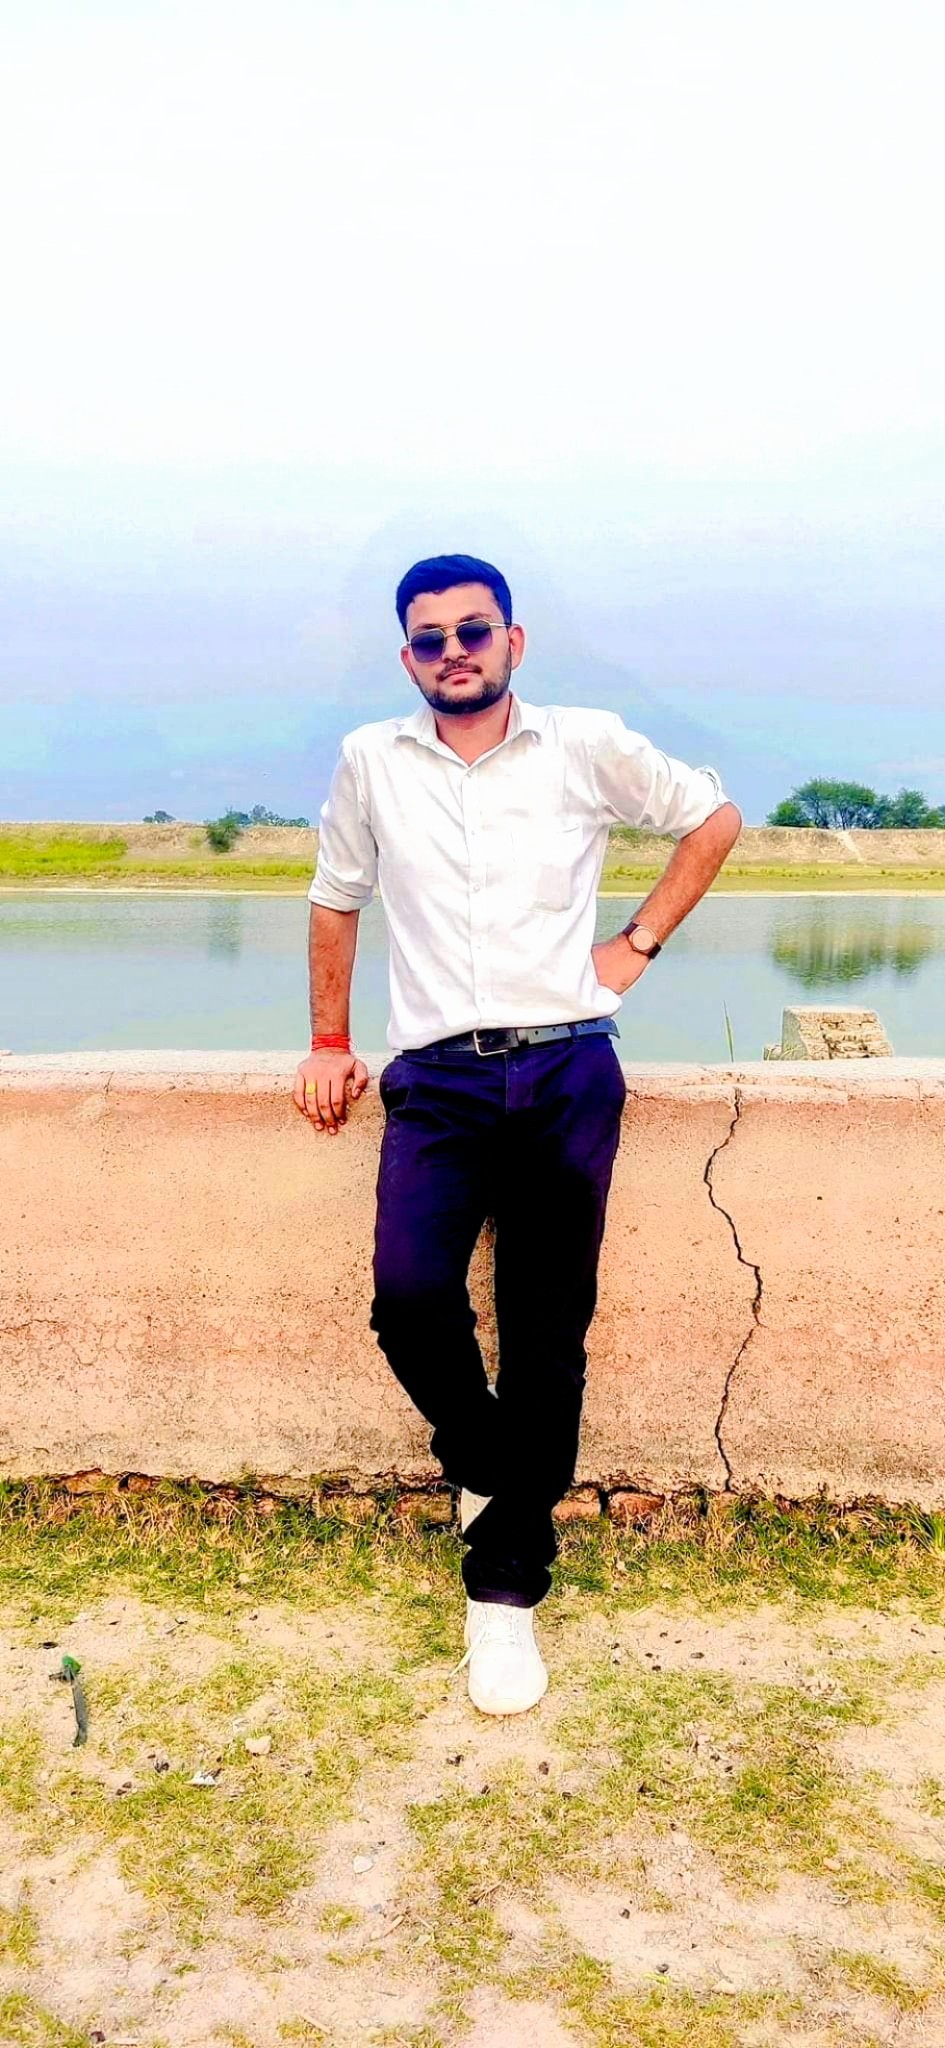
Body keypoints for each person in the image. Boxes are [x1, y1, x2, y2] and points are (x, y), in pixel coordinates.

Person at [293, 553, 742, 1716]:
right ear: (408, 657)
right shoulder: (371, 760)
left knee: (547, 1331)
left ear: (513, 641)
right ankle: (495, 1469)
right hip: (436, 1079)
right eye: (430, 637)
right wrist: (329, 1039)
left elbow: (713, 817)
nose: (454, 650)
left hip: (566, 1067)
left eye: (473, 630)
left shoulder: (584, 743)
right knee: (410, 1298)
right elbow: (336, 897)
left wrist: (634, 946)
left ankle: (503, 1591)